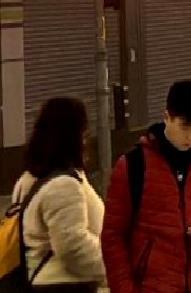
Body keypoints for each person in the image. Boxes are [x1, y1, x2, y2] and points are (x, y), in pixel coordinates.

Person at [101, 81, 191, 293]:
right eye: (185, 126)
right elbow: (113, 236)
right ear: (167, 117)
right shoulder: (133, 164)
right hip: (153, 287)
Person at [10, 97, 105, 292]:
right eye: (83, 131)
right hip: (65, 285)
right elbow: (73, 248)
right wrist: (116, 263)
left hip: (41, 282)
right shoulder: (63, 185)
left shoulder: (27, 180)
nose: (86, 139)